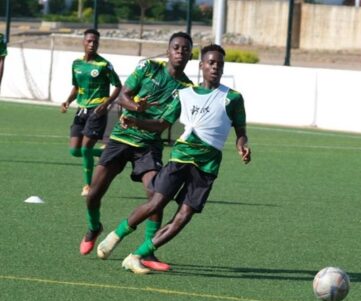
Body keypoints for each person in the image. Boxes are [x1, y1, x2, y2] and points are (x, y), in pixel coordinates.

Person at [97, 44, 251, 274]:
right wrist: (135, 121)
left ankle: (137, 254)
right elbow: (161, 124)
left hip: (207, 166)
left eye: (219, 63)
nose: (215, 67)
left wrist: (242, 145)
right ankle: (116, 235)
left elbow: (240, 128)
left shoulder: (233, 98)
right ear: (201, 66)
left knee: (184, 216)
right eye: (211, 62)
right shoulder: (184, 94)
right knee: (156, 203)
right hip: (180, 158)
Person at [81, 32, 194, 270]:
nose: (180, 52)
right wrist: (134, 106)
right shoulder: (149, 68)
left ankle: (148, 253)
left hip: (148, 146)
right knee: (93, 194)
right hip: (121, 139)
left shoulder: (186, 90)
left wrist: (137, 121)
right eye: (176, 47)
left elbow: (164, 124)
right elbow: (122, 95)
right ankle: (94, 227)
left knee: (156, 196)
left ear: (190, 55)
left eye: (185, 49)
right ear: (168, 50)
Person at [61, 29, 122, 197]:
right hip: (81, 110)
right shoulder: (76, 64)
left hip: (97, 110)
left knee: (86, 148)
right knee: (75, 151)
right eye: (89, 41)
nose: (92, 44)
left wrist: (107, 103)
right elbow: (76, 87)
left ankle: (88, 186)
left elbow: (118, 86)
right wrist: (68, 101)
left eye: (95, 42)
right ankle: (109, 153)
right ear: (83, 42)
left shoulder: (104, 65)